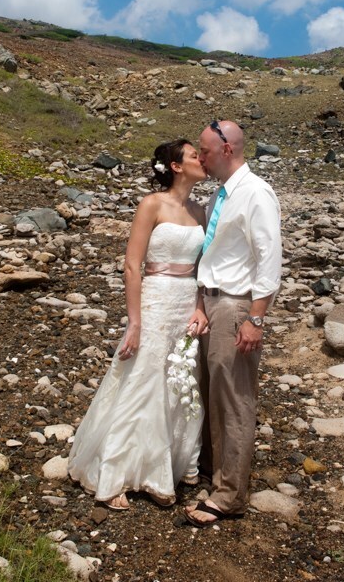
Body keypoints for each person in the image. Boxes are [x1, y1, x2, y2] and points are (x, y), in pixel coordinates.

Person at [68, 139, 209, 510]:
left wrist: (199, 308)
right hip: (156, 299)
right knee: (143, 379)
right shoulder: (151, 204)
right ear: (176, 166)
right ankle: (116, 473)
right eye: (194, 155)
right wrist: (134, 322)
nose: (202, 159)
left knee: (180, 379)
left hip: (186, 301)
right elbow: (132, 266)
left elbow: (203, 268)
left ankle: (166, 469)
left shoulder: (200, 210)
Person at [185, 120, 282, 527]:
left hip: (236, 304)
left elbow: (269, 257)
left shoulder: (256, 192)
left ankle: (230, 495)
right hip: (212, 301)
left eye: (205, 151)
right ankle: (214, 471)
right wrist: (200, 301)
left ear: (227, 149)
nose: (200, 158)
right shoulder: (220, 194)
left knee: (234, 398)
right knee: (211, 391)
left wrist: (255, 318)